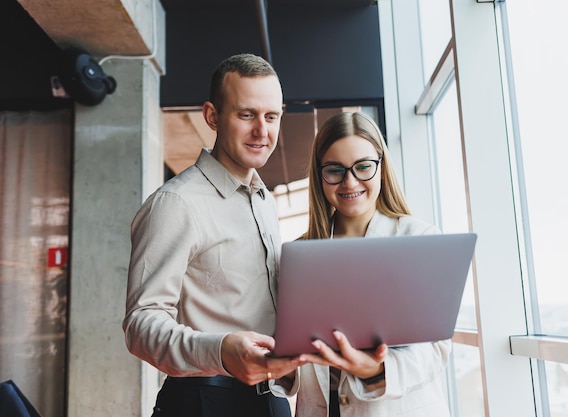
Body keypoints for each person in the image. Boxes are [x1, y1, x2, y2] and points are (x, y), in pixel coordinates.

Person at [122, 53, 302, 417]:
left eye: (271, 117)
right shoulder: (176, 203)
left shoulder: (264, 200)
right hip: (203, 402)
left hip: (271, 399)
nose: (262, 132)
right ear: (212, 116)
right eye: (246, 114)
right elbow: (141, 325)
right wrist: (219, 351)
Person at [271, 111, 452, 417]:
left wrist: (376, 370)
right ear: (320, 175)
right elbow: (289, 352)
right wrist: (281, 363)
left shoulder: (417, 239)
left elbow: (436, 348)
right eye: (335, 170)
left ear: (381, 167)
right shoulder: (299, 255)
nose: (349, 181)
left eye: (363, 167)